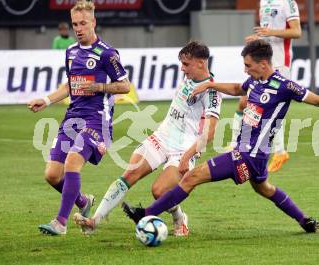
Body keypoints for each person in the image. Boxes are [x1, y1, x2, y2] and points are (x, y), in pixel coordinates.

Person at [122, 40, 319, 234]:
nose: (246, 70)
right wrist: (211, 84)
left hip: (248, 154)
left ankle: (145, 214)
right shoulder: (254, 82)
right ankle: (304, 220)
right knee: (265, 189)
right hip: (255, 156)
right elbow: (235, 88)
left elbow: (317, 100)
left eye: (248, 65)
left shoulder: (284, 86)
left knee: (191, 176)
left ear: (263, 64)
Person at [73, 41, 221, 237]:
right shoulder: (189, 78)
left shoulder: (211, 92)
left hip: (183, 149)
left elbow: (210, 133)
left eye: (186, 64)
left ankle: (179, 218)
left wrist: (188, 156)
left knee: (159, 192)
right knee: (128, 176)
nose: (182, 69)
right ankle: (94, 221)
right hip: (161, 138)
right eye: (182, 64)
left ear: (201, 63)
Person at [28, 0, 131, 235]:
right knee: (52, 175)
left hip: (97, 120)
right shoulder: (71, 51)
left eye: (83, 23)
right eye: (75, 24)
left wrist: (98, 87)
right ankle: (84, 203)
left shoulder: (107, 54)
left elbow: (125, 86)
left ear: (93, 22)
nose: (78, 28)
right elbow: (70, 85)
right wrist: (45, 101)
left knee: (72, 162)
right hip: (71, 118)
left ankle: (60, 223)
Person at [229, 0, 302, 173]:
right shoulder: (263, 2)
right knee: (243, 102)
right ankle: (236, 146)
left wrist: (271, 32)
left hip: (279, 64)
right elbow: (267, 34)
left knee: (273, 106)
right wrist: (259, 39)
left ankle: (279, 151)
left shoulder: (288, 3)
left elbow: (296, 32)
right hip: (263, 63)